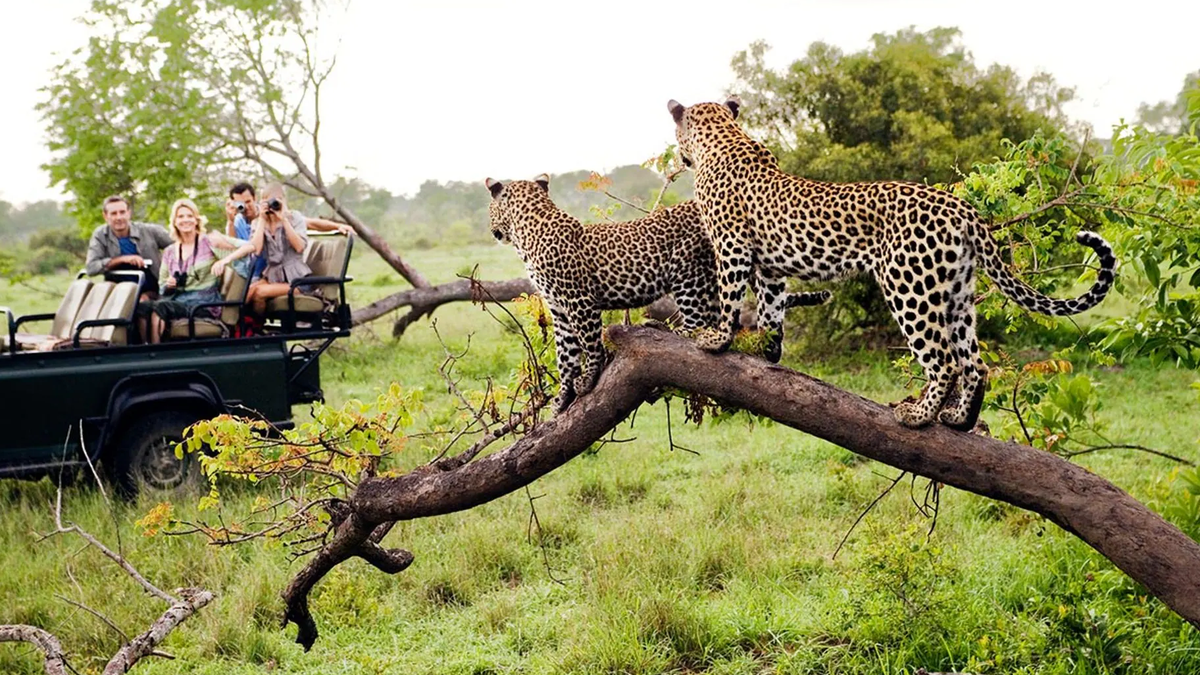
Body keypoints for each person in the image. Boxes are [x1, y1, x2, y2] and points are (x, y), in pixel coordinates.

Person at [140, 198, 254, 344]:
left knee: (160, 307)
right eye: (181, 216)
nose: (185, 220)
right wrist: (170, 284)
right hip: (178, 301)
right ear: (175, 222)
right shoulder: (169, 251)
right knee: (143, 308)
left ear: (196, 220)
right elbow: (162, 287)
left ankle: (155, 352)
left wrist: (224, 260)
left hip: (203, 304)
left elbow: (249, 247)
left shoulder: (208, 242)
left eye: (190, 216)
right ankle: (144, 347)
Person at [244, 183, 352, 319]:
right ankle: (241, 326)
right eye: (269, 202)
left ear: (284, 200)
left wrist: (284, 220)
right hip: (273, 277)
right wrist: (261, 219)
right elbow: (256, 250)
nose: (273, 205)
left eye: (277, 201)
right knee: (248, 291)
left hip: (297, 280)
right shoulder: (258, 223)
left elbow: (299, 247)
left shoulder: (294, 218)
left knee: (259, 292)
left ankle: (254, 327)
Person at [85, 195, 174, 300]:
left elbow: (180, 246)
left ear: (129, 213)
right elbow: (91, 268)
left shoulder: (149, 231)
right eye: (113, 213)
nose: (119, 217)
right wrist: (122, 259)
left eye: (122, 212)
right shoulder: (100, 235)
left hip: (153, 290)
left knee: (141, 302)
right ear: (105, 216)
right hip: (118, 292)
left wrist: (170, 269)